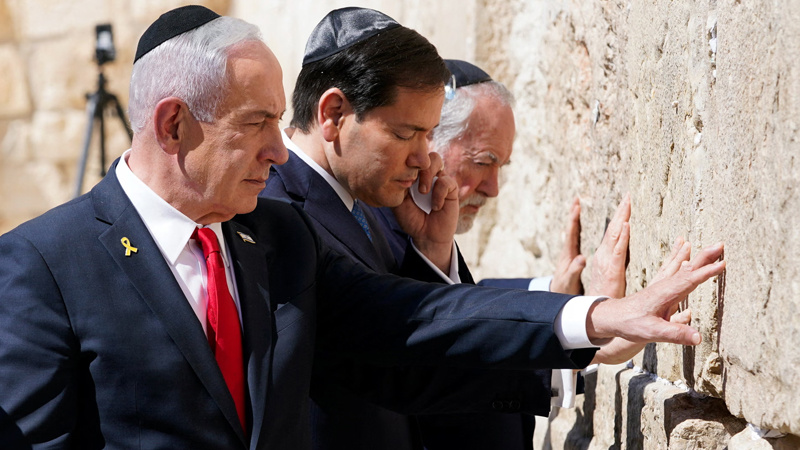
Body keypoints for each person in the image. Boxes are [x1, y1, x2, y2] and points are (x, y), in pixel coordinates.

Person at [0, 5, 724, 450]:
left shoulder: (277, 240)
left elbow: (411, 320)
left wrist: (590, 317)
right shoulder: (43, 265)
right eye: (257, 123)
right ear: (173, 125)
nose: (279, 150)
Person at [262, 9, 710, 450]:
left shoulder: (357, 201)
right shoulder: (277, 215)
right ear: (334, 113)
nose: (422, 158)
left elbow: (420, 359)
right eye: (404, 134)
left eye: (428, 135)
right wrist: (598, 316)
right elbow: (398, 325)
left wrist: (433, 252)